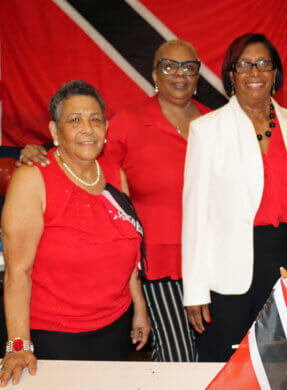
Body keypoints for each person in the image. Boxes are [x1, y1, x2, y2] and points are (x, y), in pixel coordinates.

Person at [17, 40, 207, 362]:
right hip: (158, 265)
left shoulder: (213, 124)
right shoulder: (128, 123)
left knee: (214, 358)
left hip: (209, 261)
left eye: (189, 67)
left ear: (197, 75)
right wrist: (38, 152)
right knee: (179, 360)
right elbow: (81, 155)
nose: (179, 74)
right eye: (169, 66)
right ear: (154, 75)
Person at [0, 80, 150, 387]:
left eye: (95, 119)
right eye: (74, 120)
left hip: (115, 326)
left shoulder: (116, 176)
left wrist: (139, 308)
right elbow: (17, 272)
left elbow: (130, 248)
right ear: (54, 130)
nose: (87, 128)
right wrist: (18, 345)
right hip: (56, 336)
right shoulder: (32, 179)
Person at [182, 33, 287, 362]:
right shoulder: (207, 129)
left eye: (263, 64)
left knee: (278, 364)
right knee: (227, 366)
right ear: (231, 74)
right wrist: (195, 289)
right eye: (244, 64)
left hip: (282, 260)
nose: (254, 72)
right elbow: (194, 215)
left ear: (275, 73)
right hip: (226, 269)